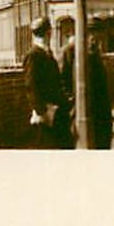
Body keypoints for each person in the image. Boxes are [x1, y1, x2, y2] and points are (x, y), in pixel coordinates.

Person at [23, 17, 72, 149]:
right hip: (47, 115)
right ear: (48, 33)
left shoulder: (45, 53)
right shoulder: (34, 55)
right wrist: (42, 111)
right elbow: (30, 86)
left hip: (55, 111)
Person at [61, 34, 114, 150]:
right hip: (85, 108)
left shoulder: (95, 56)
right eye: (91, 38)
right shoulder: (71, 53)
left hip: (100, 109)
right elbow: (64, 80)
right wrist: (71, 100)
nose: (93, 41)